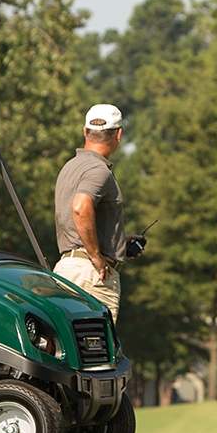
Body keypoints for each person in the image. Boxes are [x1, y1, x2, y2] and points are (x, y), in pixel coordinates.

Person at [53, 104, 126, 319]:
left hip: (68, 269)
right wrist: (95, 256)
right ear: (119, 134)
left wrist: (119, 240)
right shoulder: (98, 170)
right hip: (91, 275)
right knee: (99, 350)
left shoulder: (71, 166)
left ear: (85, 131)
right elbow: (80, 207)